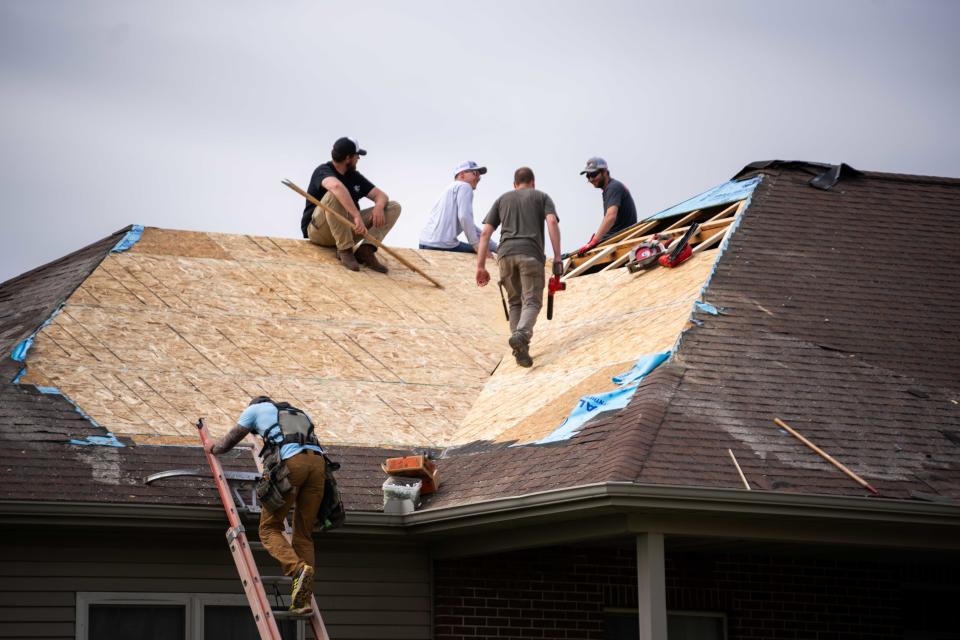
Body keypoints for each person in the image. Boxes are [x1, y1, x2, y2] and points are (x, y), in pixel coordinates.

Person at [209, 396, 326, 612]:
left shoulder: (254, 410)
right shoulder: (298, 412)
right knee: (303, 534)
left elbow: (231, 439)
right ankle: (302, 601)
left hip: (293, 464)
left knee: (269, 528)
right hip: (319, 466)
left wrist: (213, 448)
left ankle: (298, 569)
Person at [476, 167, 562, 368]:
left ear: (515, 185)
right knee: (531, 302)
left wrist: (480, 266)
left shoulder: (502, 199)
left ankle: (520, 348)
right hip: (530, 254)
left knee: (515, 303)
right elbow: (551, 222)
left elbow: (485, 234)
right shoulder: (541, 197)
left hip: (504, 256)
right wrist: (557, 256)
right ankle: (522, 335)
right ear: (533, 182)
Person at [301, 137, 401, 272]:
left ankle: (366, 250)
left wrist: (378, 206)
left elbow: (381, 196)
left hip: (347, 229)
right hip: (320, 231)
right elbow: (336, 187)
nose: (359, 158)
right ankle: (345, 249)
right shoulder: (323, 170)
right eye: (357, 155)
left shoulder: (353, 175)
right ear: (348, 158)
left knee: (393, 207)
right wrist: (356, 216)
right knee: (334, 194)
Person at [419, 161, 498, 254]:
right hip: (441, 245)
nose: (478, 178)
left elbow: (470, 225)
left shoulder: (449, 189)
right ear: (462, 174)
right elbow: (465, 217)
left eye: (479, 176)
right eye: (475, 173)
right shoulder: (465, 186)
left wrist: (495, 246)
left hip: (424, 243)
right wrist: (476, 245)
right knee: (484, 254)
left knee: (483, 247)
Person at [575, 157, 638, 256]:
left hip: (618, 238)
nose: (591, 179)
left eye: (594, 174)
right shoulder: (610, 188)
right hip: (616, 237)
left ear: (604, 172)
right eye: (588, 176)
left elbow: (610, 217)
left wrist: (595, 241)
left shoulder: (613, 187)